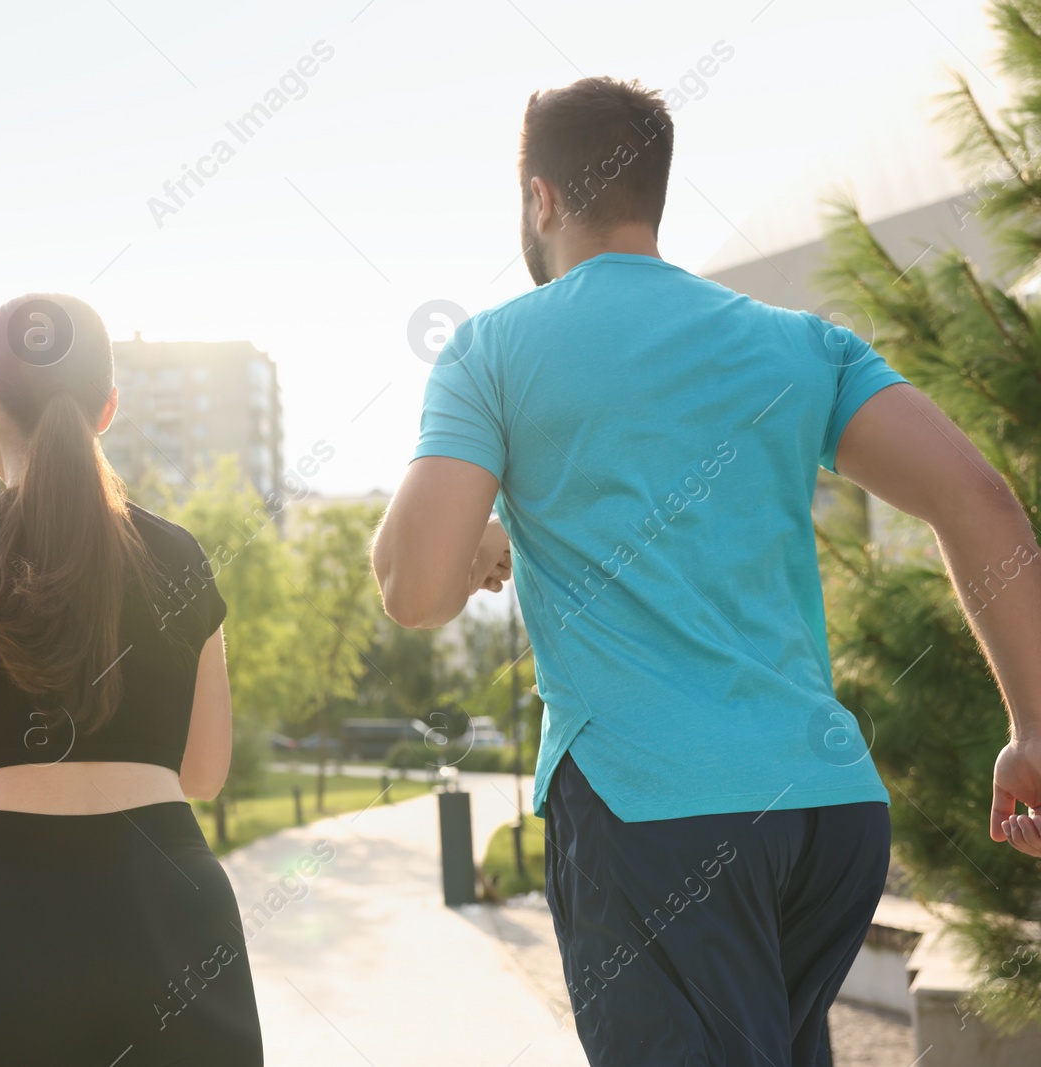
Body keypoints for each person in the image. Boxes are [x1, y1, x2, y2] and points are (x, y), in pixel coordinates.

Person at [370, 76, 1041, 1065]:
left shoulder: (492, 350)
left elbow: (413, 588)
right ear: (652, 193)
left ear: (540, 198)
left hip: (655, 814)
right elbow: (979, 500)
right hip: (827, 810)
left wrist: (468, 531)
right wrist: (1031, 728)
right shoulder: (797, 342)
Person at [0, 293, 265, 1065]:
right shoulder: (180, 555)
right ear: (107, 407)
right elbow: (205, 771)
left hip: (13, 911)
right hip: (175, 911)